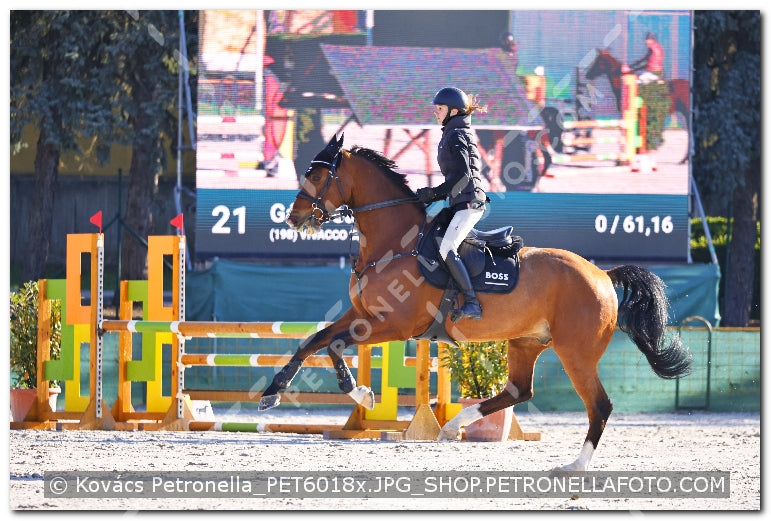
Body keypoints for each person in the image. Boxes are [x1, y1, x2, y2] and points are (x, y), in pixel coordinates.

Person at [416, 87, 488, 320]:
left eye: (440, 109)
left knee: (447, 247)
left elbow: (463, 177)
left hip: (468, 204)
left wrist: (433, 193)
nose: (435, 113)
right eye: (435, 108)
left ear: (453, 111)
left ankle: (472, 302)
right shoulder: (453, 132)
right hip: (460, 201)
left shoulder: (456, 135)